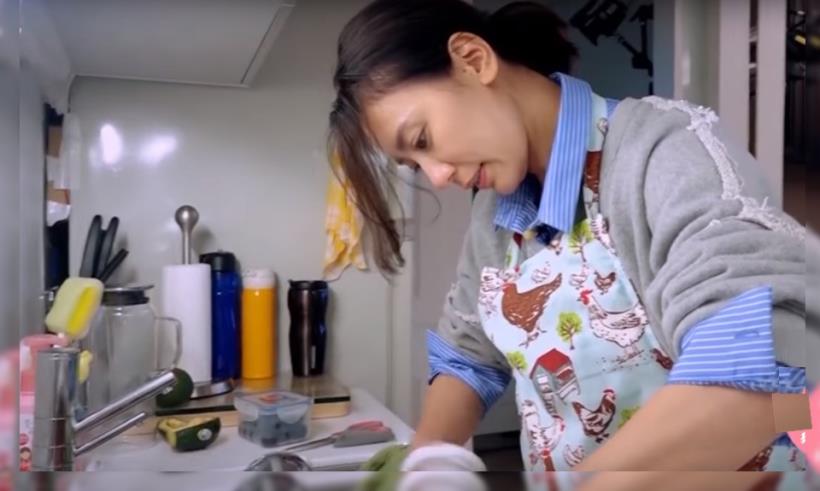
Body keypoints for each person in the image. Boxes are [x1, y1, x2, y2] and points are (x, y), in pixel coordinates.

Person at [328, 0, 817, 488]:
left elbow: (765, 374)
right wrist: (428, 461)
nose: (436, 177)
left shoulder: (664, 149)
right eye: (414, 165)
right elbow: (468, 356)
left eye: (423, 138)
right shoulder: (494, 215)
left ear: (473, 60)